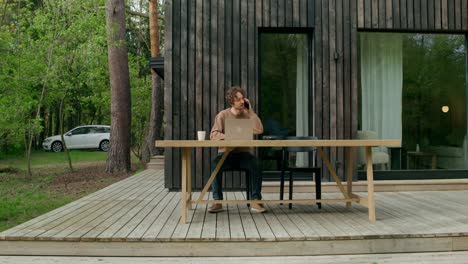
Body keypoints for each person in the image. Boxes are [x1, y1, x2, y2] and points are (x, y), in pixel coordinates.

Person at [208, 86, 266, 213]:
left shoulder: (247, 115)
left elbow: (259, 129)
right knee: (215, 164)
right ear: (231, 101)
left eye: (242, 99)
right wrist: (230, 136)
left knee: (256, 164)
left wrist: (251, 112)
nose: (241, 101)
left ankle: (255, 200)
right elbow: (213, 135)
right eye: (238, 99)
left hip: (244, 154)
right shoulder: (223, 115)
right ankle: (217, 201)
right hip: (225, 153)